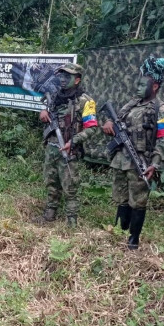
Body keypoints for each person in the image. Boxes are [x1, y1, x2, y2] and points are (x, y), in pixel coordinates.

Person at [67, 56, 164, 249]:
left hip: (140, 161)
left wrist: (155, 163)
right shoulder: (131, 104)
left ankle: (133, 239)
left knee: (138, 201)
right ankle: (120, 230)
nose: (139, 87)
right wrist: (109, 125)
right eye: (138, 83)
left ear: (155, 86)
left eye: (144, 84)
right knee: (121, 197)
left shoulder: (163, 109)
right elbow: (116, 122)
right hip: (121, 159)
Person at [38, 63, 97, 226]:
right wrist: (43, 112)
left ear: (77, 80)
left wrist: (74, 141)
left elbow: (92, 128)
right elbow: (47, 112)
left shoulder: (86, 101)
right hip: (52, 146)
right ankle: (50, 212)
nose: (62, 79)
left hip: (69, 149)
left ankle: (71, 220)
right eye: (61, 76)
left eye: (67, 76)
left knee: (70, 185)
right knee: (51, 181)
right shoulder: (55, 95)